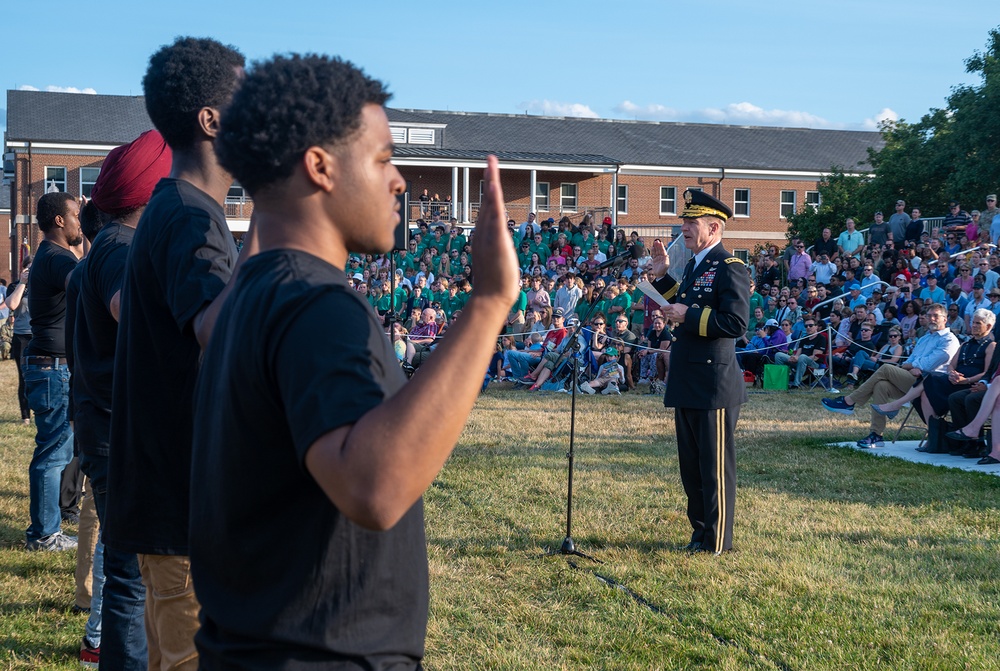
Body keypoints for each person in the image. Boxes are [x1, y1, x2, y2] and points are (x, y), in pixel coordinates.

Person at [189, 53, 518, 668]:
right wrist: (489, 303)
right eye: (384, 158)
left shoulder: (251, 292)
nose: (400, 181)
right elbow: (374, 486)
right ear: (320, 167)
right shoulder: (316, 306)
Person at [104, 37, 252, 671]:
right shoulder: (191, 217)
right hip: (181, 506)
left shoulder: (175, 207)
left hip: (166, 499)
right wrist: (277, 215)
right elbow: (218, 328)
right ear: (212, 120)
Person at [648, 189, 750, 555]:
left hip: (713, 381)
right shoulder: (695, 266)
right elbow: (684, 303)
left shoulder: (730, 268)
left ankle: (717, 542)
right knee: (691, 467)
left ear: (714, 226)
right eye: (684, 222)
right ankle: (699, 533)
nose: (685, 229)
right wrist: (661, 277)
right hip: (688, 376)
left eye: (692, 223)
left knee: (714, 468)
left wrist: (688, 315)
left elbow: (735, 322)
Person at [23, 191, 82, 552]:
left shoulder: (48, 254)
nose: (79, 220)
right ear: (59, 220)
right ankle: (45, 535)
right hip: (53, 369)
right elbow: (88, 283)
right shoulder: (57, 257)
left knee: (53, 449)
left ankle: (44, 530)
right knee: (53, 453)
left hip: (49, 367)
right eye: (76, 215)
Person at [821, 303, 959, 448]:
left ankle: (849, 401)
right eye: (929, 315)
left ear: (945, 318)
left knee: (886, 368)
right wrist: (912, 366)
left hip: (933, 386)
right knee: (881, 385)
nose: (931, 319)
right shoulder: (925, 338)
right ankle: (876, 435)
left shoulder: (948, 339)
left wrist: (913, 366)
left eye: (935, 316)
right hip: (914, 381)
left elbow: (927, 365)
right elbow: (909, 362)